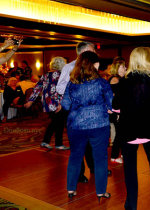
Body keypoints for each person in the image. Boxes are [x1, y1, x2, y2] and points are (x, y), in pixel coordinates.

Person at [62, 51, 113, 201]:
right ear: (95, 64)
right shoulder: (102, 82)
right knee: (100, 159)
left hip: (76, 125)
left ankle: (71, 189)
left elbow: (65, 105)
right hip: (99, 124)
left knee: (75, 157)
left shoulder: (72, 83)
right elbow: (111, 104)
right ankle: (101, 192)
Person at [119, 47, 150, 209]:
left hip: (129, 129)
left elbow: (116, 106)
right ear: (147, 60)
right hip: (149, 128)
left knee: (130, 168)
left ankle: (131, 203)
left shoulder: (124, 81)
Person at [56, 41, 97, 183]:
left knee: (91, 142)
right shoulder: (70, 67)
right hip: (75, 111)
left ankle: (93, 168)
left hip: (90, 111)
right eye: (92, 50)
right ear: (83, 51)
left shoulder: (93, 66)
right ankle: (79, 174)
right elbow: (59, 88)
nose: (95, 52)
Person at [25, 57, 69, 150]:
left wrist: (30, 101)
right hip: (57, 103)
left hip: (48, 103)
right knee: (59, 123)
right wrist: (60, 104)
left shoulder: (46, 75)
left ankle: (46, 142)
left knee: (55, 122)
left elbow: (37, 88)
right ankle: (57, 144)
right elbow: (61, 91)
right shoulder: (62, 75)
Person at [108, 56, 126, 164]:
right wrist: (118, 111)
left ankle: (123, 153)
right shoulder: (115, 80)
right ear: (117, 68)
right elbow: (115, 99)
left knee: (122, 133)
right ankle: (114, 156)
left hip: (117, 111)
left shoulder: (118, 79)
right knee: (119, 134)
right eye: (123, 67)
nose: (125, 68)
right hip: (116, 111)